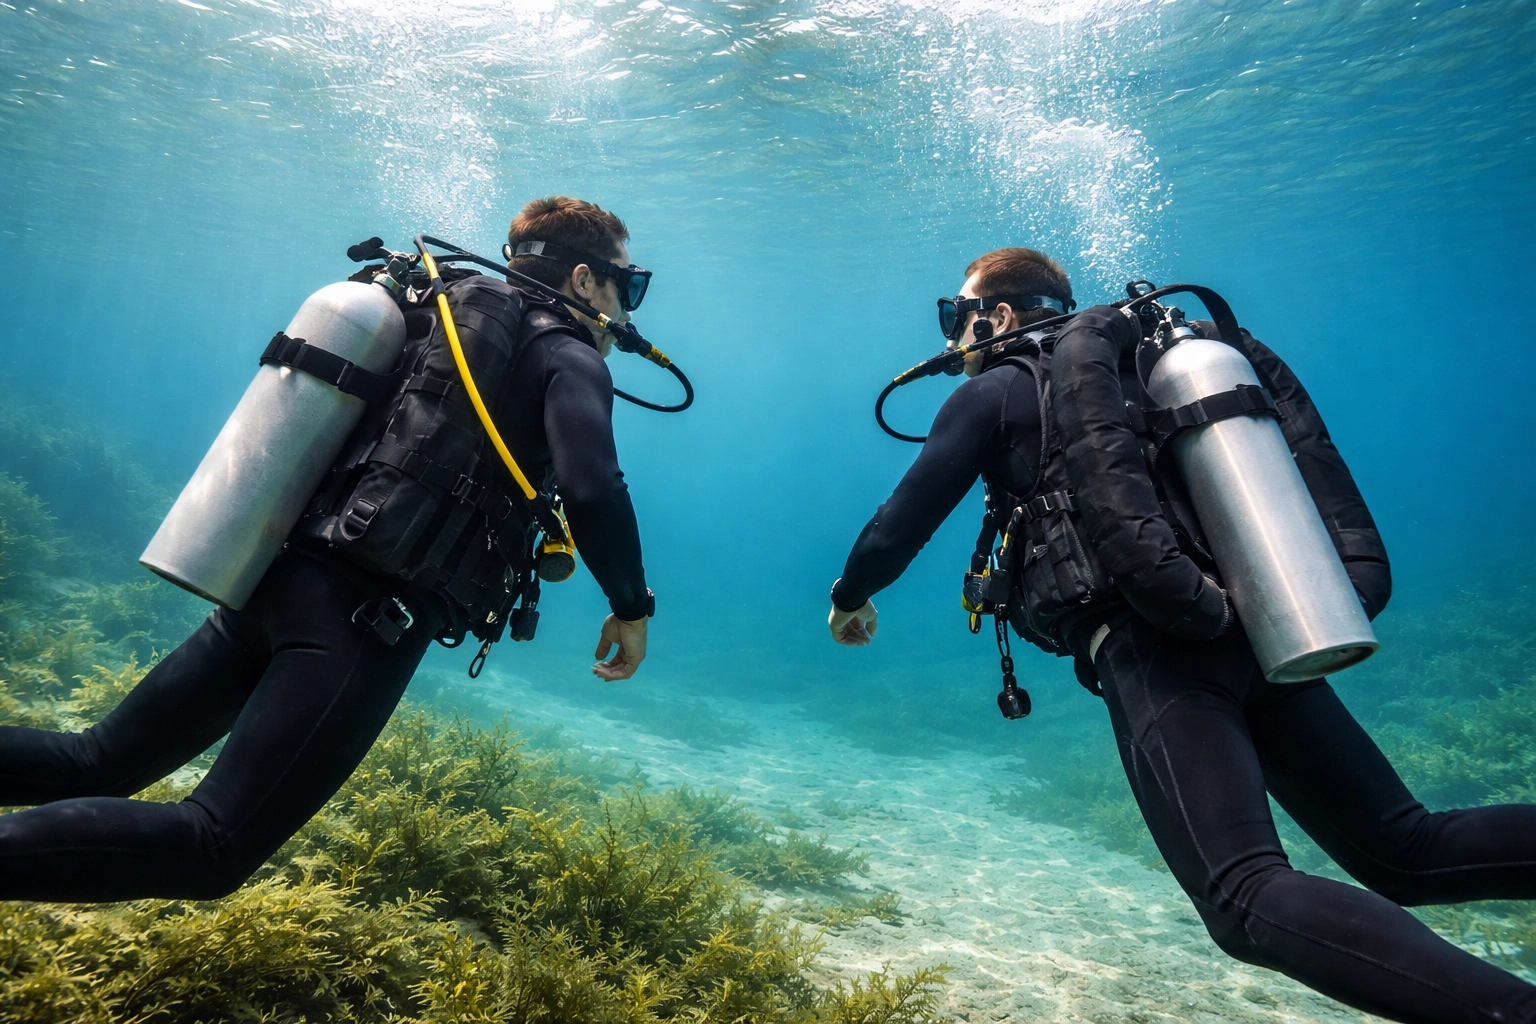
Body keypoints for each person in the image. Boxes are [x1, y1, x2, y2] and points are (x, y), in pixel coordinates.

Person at [827, 246, 1536, 1023]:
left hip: (1154, 647)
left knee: (1244, 895)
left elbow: (897, 527)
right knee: (1408, 849)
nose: (950, 335)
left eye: (954, 315)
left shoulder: (996, 390)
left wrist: (848, 598)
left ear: (997, 316)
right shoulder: (1155, 370)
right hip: (1263, 625)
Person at [0, 195, 656, 902]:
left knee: (93, 759)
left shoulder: (436, 314)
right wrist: (631, 605)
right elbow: (592, 489)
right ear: (585, 280)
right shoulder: (566, 354)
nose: (629, 308)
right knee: (212, 843)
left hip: (281, 576)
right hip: (366, 615)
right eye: (630, 284)